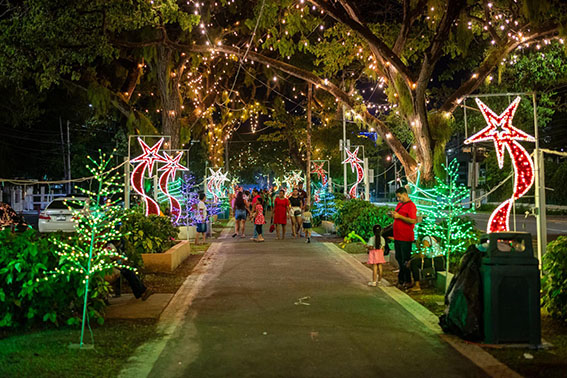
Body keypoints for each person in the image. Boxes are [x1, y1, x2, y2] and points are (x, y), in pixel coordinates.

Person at [391, 187, 417, 288]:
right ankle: (401, 279)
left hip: (406, 237)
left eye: (399, 197)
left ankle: (407, 280)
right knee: (399, 258)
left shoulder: (411, 206)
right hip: (397, 236)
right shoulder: (400, 205)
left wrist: (399, 217)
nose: (398, 199)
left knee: (405, 260)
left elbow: (412, 220)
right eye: (397, 197)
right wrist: (393, 215)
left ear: (405, 194)